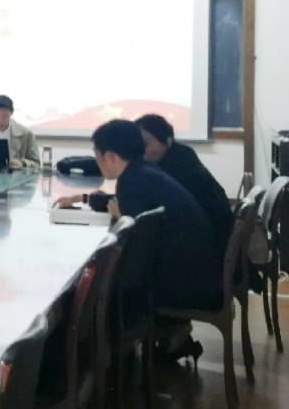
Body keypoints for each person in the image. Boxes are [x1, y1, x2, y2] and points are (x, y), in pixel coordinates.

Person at [56, 120, 223, 314]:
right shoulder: (142, 170)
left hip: (183, 286)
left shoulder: (132, 182)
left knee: (87, 290)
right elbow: (123, 203)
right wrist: (85, 198)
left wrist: (120, 220)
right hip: (199, 275)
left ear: (109, 157)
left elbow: (134, 251)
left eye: (96, 154)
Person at [135, 114, 234, 248]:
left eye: (146, 144)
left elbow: (155, 213)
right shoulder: (182, 153)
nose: (139, 151)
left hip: (204, 245)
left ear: (168, 142)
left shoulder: (175, 167)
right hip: (210, 236)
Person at [0, 95, 40, 169]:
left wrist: (22, 163)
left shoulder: (26, 134)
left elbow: (36, 164)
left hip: (16, 175)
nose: (0, 120)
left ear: (11, 112)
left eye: (4, 116)